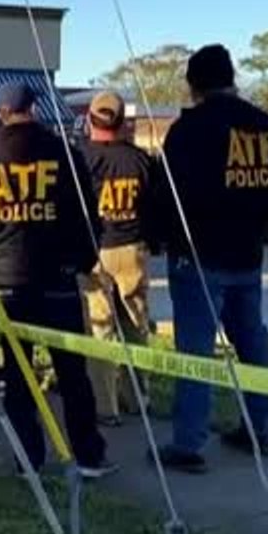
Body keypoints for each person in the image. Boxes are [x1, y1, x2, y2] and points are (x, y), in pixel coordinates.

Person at [0, 82, 116, 478]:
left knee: (19, 375)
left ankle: (28, 460)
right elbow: (88, 215)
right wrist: (83, 261)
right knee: (72, 373)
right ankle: (88, 455)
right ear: (33, 109)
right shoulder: (63, 153)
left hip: (10, 281)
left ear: (0, 112)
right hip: (59, 279)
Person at [150, 44, 268, 473]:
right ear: (231, 78)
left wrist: (161, 236)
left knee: (196, 351)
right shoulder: (264, 127)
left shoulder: (190, 131)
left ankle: (188, 444)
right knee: (253, 343)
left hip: (200, 256)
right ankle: (259, 428)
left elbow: (168, 197)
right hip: (248, 254)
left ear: (194, 85)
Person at [80, 91, 155, 427]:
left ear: (90, 119)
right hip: (133, 248)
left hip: (95, 250)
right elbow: (155, 205)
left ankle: (104, 406)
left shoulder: (81, 158)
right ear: (122, 120)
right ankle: (138, 398)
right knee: (137, 325)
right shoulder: (140, 159)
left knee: (100, 330)